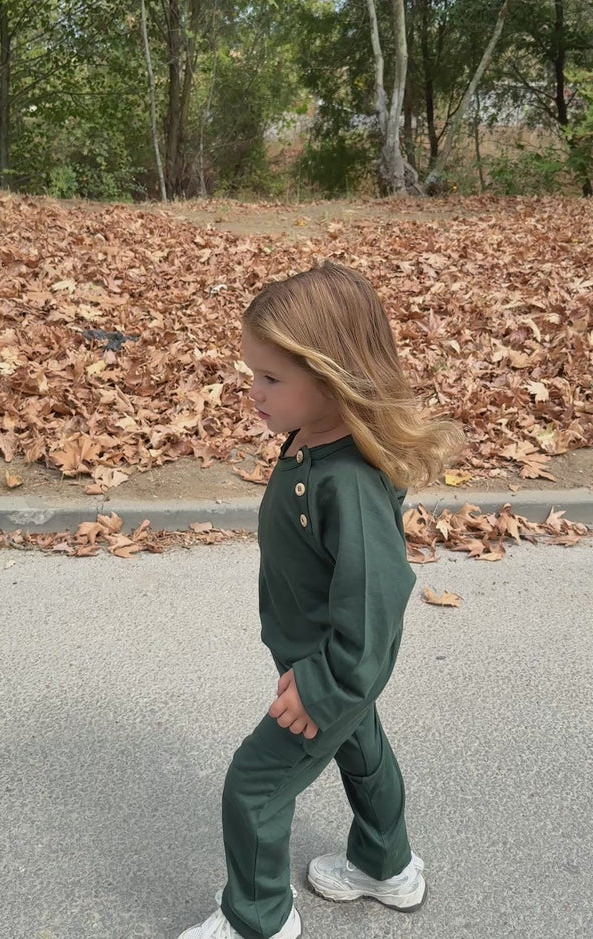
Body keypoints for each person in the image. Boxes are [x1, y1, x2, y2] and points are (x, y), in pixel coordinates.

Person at [177, 261, 463, 939]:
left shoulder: (349, 484)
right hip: (324, 663)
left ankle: (258, 919)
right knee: (362, 750)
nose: (254, 392)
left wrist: (324, 686)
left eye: (271, 378)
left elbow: (375, 601)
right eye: (253, 373)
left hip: (330, 669)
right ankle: (387, 867)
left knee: (255, 785)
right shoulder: (313, 437)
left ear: (334, 378)